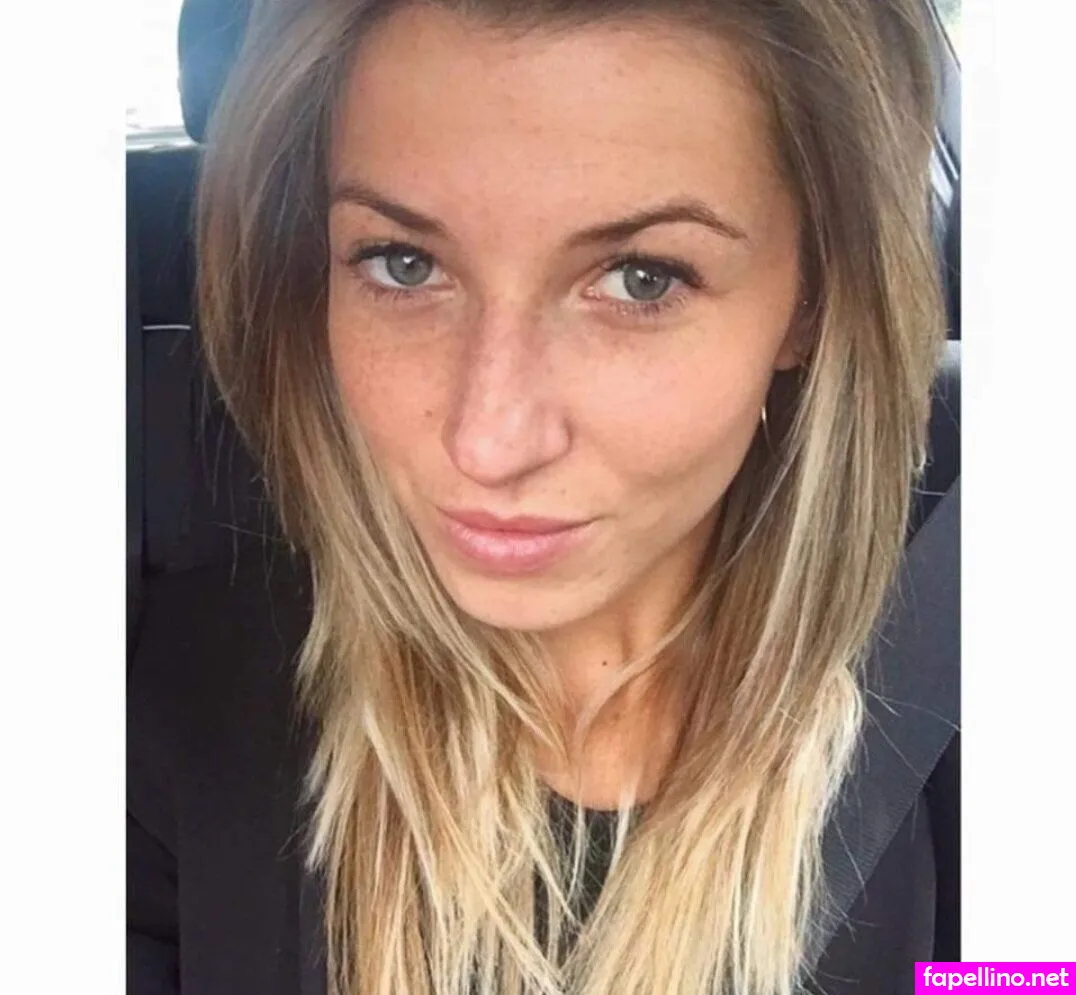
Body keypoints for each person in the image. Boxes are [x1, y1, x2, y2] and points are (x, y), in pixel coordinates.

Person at [127, 0, 958, 993]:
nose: (489, 440)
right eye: (403, 264)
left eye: (641, 279)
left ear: (810, 301)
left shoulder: (975, 711)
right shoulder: (166, 712)